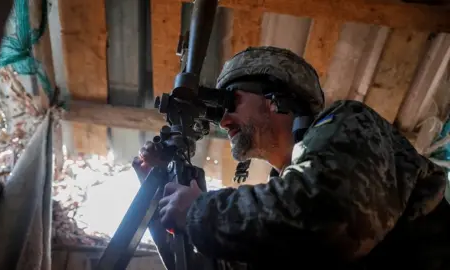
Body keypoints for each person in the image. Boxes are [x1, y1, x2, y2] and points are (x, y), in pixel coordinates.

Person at [133, 46, 450, 269]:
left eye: (230, 102)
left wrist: (199, 210)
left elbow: (326, 215)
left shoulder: (349, 123)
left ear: (274, 99)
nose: (225, 121)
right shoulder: (273, 215)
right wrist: (163, 194)